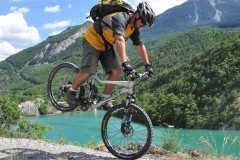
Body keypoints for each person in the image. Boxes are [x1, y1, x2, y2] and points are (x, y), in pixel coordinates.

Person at [67, 1, 155, 110]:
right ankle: (70, 91)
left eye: (145, 24)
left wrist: (148, 65)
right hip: (92, 40)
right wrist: (125, 63)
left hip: (106, 44)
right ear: (137, 14)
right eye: (143, 22)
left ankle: (104, 99)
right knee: (88, 71)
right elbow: (119, 40)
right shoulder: (121, 17)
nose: (143, 25)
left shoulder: (134, 28)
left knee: (117, 71)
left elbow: (140, 45)